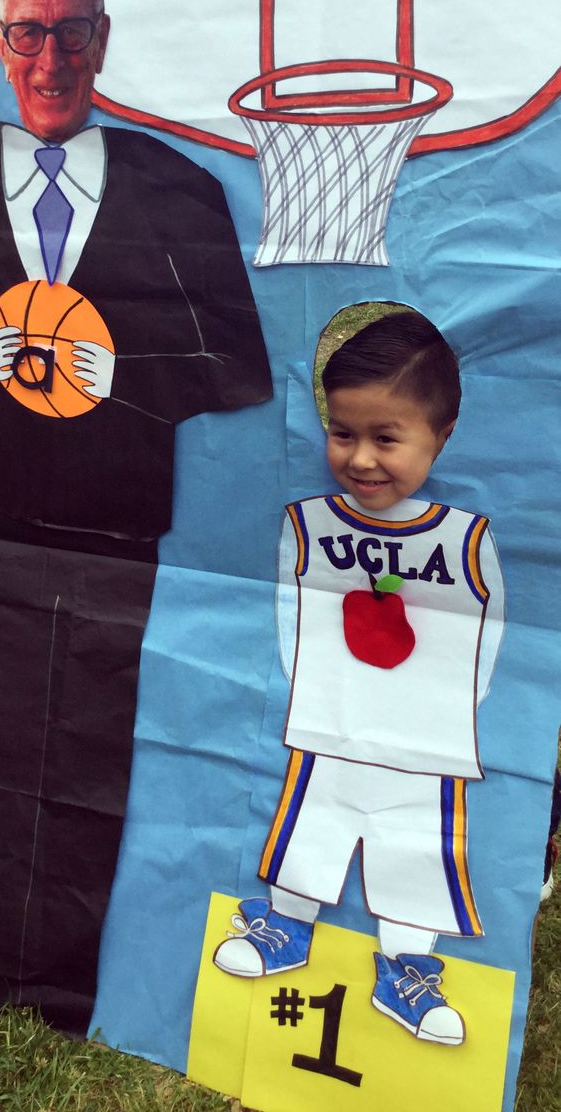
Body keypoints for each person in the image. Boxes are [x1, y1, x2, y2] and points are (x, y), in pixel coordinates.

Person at [0, 0, 271, 1033]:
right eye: (27, 34)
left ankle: (62, 980)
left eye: (70, 32)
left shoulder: (178, 190)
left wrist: (117, 370)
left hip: (118, 506)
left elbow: (237, 363)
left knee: (90, 736)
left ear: (102, 40)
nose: (48, 60)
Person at [213, 307, 504, 1048]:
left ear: (442, 437)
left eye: (386, 438)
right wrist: (319, 695)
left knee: (418, 850)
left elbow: (491, 640)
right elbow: (289, 619)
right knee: (312, 823)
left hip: (427, 743)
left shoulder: (467, 537)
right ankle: (286, 926)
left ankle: (407, 971)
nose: (361, 458)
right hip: (330, 723)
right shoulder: (309, 523)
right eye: (343, 433)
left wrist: (438, 715)